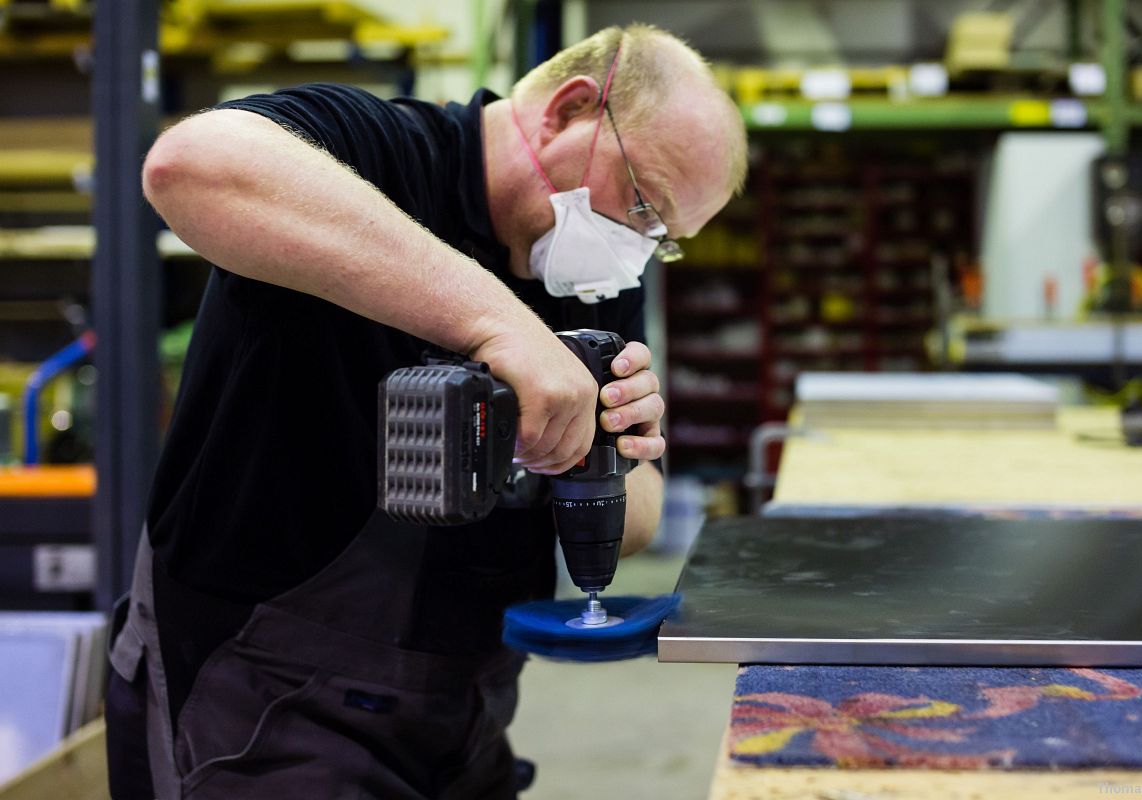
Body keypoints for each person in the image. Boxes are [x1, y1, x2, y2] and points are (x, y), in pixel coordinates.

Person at [104, 23, 747, 800]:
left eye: (664, 238)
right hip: (259, 693)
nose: (638, 248)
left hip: (462, 702)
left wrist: (610, 445)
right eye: (643, 203)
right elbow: (188, 165)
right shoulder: (382, 148)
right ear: (571, 109)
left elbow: (638, 519)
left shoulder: (594, 269)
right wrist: (499, 325)